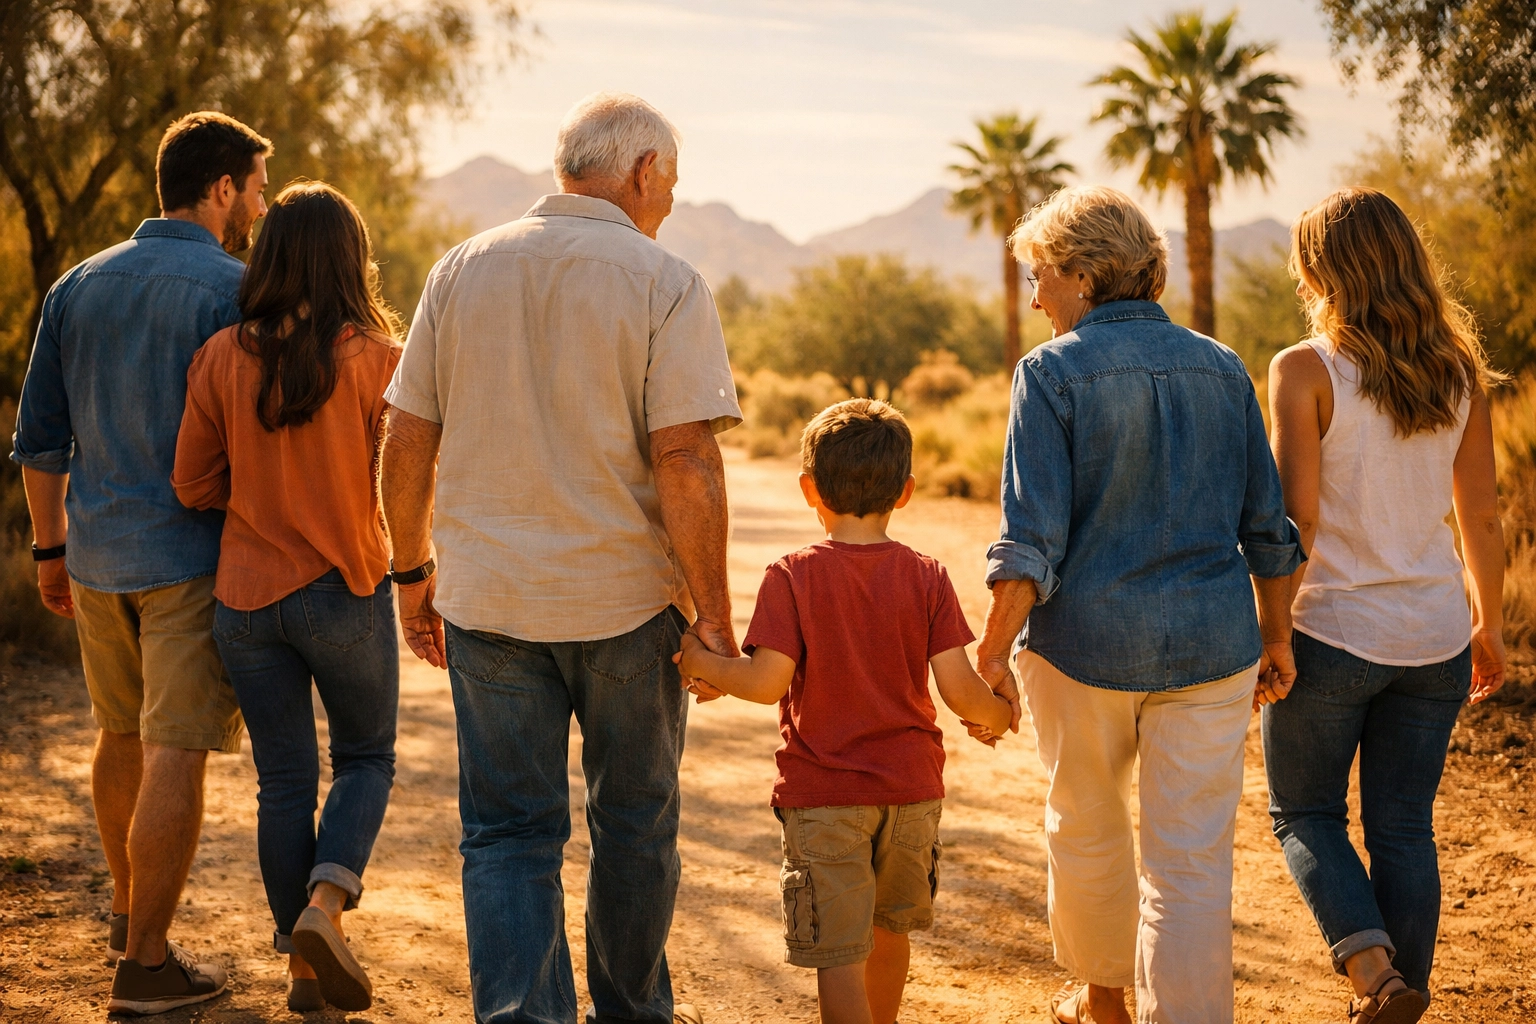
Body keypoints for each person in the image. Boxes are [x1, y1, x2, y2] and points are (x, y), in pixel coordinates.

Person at [378, 91, 741, 1024]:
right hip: (627, 608)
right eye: (670, 183)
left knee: (505, 836)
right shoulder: (664, 281)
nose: (667, 201)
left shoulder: (460, 270)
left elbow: (407, 435)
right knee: (634, 826)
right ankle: (629, 1011)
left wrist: (412, 573)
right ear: (644, 172)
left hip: (489, 604)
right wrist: (714, 615)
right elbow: (687, 458)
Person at [970, 185, 1304, 1024]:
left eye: (1042, 275)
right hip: (1213, 649)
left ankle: (1105, 1001)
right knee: (1189, 863)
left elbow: (1031, 539)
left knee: (1086, 827)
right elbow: (1267, 524)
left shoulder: (1049, 373)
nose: (1036, 295)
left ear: (1083, 275)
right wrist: (1275, 635)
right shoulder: (1222, 366)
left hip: (1084, 651)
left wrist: (989, 654)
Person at [11, 111, 270, 1015]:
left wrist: (50, 550)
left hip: (93, 557)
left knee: (119, 733)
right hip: (189, 561)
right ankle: (147, 966)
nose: (259, 207)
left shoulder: (77, 286)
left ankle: (129, 914)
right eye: (256, 189)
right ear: (223, 188)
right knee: (174, 749)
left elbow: (39, 440)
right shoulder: (234, 289)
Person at [675, 399, 1013, 1024]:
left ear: (809, 490)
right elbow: (959, 690)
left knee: (838, 951)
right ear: (906, 492)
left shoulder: (793, 575)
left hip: (826, 796)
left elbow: (767, 682)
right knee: (889, 934)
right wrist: (996, 714)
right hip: (911, 795)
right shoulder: (928, 576)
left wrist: (704, 664)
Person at [1262, 187, 1507, 1024]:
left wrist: (1271, 632)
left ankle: (1379, 980)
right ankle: (1406, 997)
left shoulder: (1305, 369)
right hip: (1434, 636)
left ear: (1317, 268)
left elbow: (1299, 519)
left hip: (1331, 630)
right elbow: (1481, 513)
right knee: (1404, 826)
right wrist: (1490, 623)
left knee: (1304, 811)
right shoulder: (1458, 371)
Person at [171, 181, 403, 1014]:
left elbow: (191, 484)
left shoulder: (220, 356)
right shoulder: (378, 360)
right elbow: (408, 486)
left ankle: (305, 972)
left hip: (245, 599)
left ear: (267, 257)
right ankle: (323, 911)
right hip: (345, 591)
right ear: (351, 259)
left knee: (283, 782)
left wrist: (258, 486)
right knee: (367, 759)